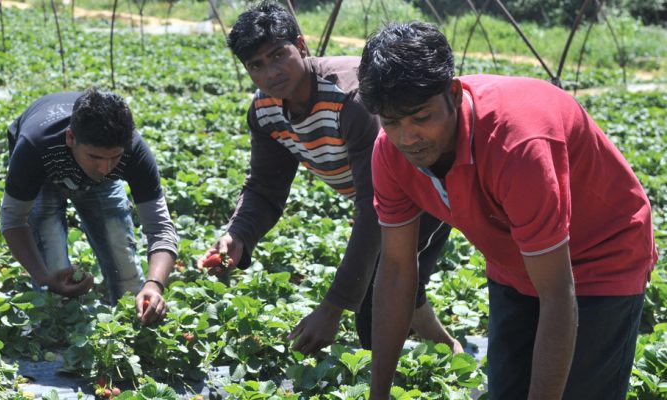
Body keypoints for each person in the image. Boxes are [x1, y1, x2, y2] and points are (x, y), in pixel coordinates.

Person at [357, 22, 657, 399]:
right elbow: (398, 269)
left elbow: (558, 294)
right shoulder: (390, 153)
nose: (407, 137)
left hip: (601, 254)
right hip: (516, 259)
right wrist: (378, 393)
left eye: (421, 118)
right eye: (391, 122)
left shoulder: (518, 146)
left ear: (453, 92)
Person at [197, 1, 461, 355]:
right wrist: (238, 235)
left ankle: (395, 381)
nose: (270, 72)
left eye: (278, 55)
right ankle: (448, 350)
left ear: (301, 46)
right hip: (383, 201)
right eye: (256, 65)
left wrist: (334, 305)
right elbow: (265, 186)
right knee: (400, 289)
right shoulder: (265, 111)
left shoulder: (349, 100)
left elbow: (374, 206)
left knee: (378, 295)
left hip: (425, 187)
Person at [0, 88, 178, 324]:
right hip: (43, 177)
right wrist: (44, 277)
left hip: (102, 187)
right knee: (55, 283)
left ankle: (128, 328)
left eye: (114, 157)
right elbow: (13, 220)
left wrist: (154, 285)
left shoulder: (133, 151)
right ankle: (60, 328)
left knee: (126, 274)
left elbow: (161, 228)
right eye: (95, 157)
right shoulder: (34, 146)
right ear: (70, 138)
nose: (105, 168)